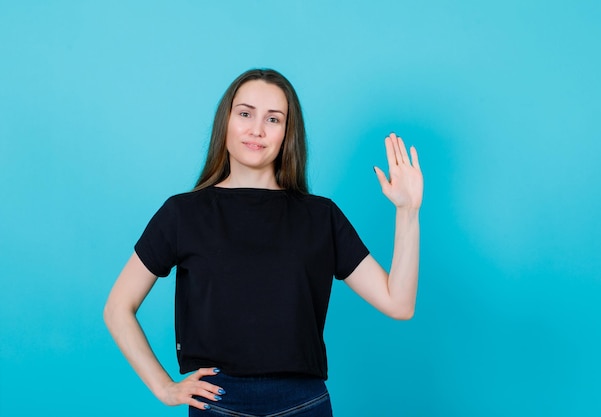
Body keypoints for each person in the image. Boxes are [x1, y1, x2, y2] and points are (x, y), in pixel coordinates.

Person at [104, 68, 423, 416]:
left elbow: (399, 303)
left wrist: (407, 212)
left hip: (303, 403)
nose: (257, 129)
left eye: (273, 119)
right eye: (245, 114)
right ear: (225, 121)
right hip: (217, 404)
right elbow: (118, 307)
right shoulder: (183, 213)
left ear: (288, 133)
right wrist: (164, 387)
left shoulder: (320, 217)